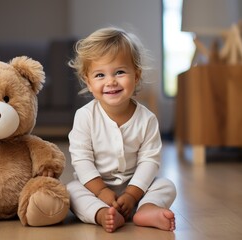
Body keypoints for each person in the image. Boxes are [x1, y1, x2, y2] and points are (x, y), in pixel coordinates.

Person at [66, 27, 177, 233]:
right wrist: (101, 192)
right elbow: (82, 160)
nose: (111, 81)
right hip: (95, 188)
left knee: (166, 185)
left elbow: (149, 161)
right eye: (100, 75)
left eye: (120, 72)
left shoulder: (147, 119)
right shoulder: (85, 116)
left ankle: (145, 209)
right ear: (88, 82)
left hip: (135, 187)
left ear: (136, 75)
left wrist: (132, 195)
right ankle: (101, 214)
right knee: (71, 190)